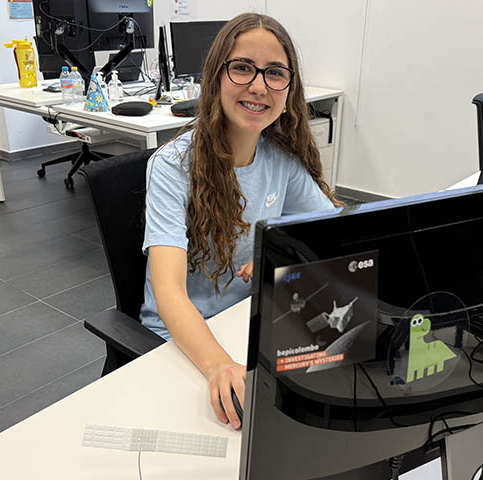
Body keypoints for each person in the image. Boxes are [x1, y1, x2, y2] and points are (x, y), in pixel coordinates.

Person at [140, 12, 342, 430]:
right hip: (181, 340)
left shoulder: (281, 161)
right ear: (216, 75)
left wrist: (283, 256)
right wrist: (217, 366)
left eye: (275, 73)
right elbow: (168, 293)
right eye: (243, 67)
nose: (258, 85)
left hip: (248, 322)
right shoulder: (172, 167)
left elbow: (335, 234)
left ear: (289, 90)